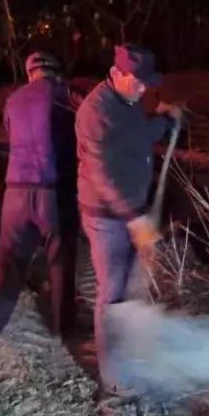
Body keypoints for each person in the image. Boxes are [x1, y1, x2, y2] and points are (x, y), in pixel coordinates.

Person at [75, 44, 182, 388]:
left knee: (133, 286)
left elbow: (140, 136)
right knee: (111, 293)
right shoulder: (95, 112)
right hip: (107, 217)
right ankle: (113, 379)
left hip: (133, 209)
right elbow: (102, 175)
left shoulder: (129, 101)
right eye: (137, 81)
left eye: (146, 82)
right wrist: (133, 219)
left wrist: (164, 120)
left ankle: (130, 352)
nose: (143, 88)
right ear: (116, 73)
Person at [0, 51, 78, 339]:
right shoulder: (64, 94)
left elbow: (12, 134)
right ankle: (63, 333)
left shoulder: (13, 99)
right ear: (56, 72)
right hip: (53, 191)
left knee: (8, 260)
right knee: (60, 260)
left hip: (16, 193)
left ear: (30, 73)